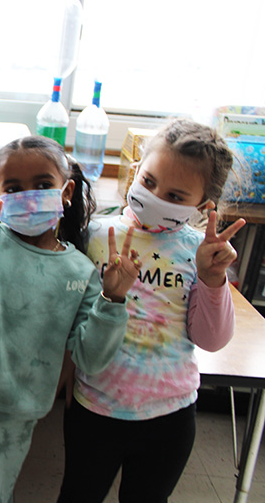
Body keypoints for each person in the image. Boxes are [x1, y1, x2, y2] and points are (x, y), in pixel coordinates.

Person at [0, 135, 140, 503]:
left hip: (18, 413)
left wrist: (113, 299)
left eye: (43, 185)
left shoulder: (81, 272)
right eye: (14, 187)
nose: (29, 195)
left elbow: (91, 358)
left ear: (67, 190)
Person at [57, 118, 247, 503]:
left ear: (203, 206)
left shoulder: (200, 253)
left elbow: (212, 340)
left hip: (170, 417)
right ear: (135, 172)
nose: (156, 197)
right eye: (148, 182)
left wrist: (213, 280)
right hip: (95, 408)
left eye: (176, 197)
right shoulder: (96, 235)